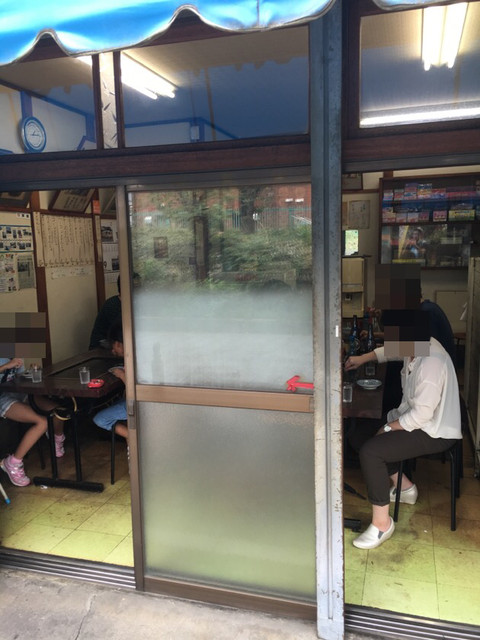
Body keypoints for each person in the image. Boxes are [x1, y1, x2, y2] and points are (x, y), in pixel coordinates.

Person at [344, 309, 461, 550]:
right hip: (412, 419)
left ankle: (382, 524)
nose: (391, 341)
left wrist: (388, 428)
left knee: (372, 452)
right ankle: (406, 488)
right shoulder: (417, 345)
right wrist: (362, 358)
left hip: (434, 430)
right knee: (358, 435)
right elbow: (390, 352)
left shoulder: (432, 363)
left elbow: (421, 416)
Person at [0, 357, 66, 487]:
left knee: (59, 411)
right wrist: (5, 366)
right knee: (42, 422)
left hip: (19, 393)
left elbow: (19, 379)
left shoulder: (12, 353)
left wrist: (31, 373)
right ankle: (12, 462)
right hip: (2, 398)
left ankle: (57, 440)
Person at [92, 320, 128, 447]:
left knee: (100, 419)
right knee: (115, 404)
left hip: (139, 403)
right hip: (139, 401)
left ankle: (134, 438)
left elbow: (133, 388)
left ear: (118, 344)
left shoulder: (131, 359)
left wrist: (121, 375)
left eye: (113, 346)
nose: (113, 350)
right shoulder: (135, 354)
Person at [89, 275, 122, 350]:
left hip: (116, 345)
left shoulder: (130, 303)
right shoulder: (112, 305)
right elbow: (122, 331)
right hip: (102, 348)